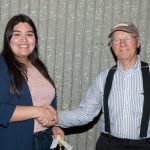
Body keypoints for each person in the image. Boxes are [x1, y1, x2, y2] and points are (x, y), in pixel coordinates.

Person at [58, 22, 150, 149]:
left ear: (138, 42)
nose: (122, 44)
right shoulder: (103, 78)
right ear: (111, 46)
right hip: (109, 145)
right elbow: (85, 113)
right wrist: (53, 117)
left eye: (128, 39)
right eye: (116, 40)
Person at [0, 14, 64, 150]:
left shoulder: (38, 66)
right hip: (15, 142)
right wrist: (38, 111)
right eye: (17, 34)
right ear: (8, 39)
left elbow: (47, 102)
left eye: (29, 34)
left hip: (45, 141)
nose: (24, 40)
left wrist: (54, 125)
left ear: (35, 39)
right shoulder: (2, 66)